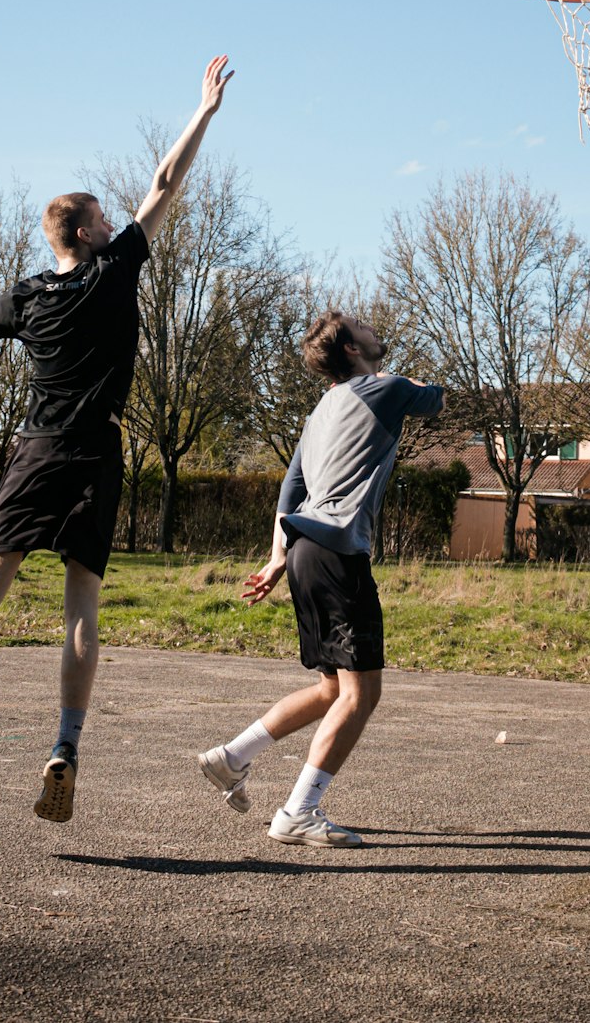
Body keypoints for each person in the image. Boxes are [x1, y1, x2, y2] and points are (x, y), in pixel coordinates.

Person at [0, 56, 233, 821]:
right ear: (84, 230)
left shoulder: (26, 296)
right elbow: (165, 183)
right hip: (95, 451)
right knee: (82, 599)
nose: (117, 224)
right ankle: (65, 747)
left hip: (36, 449)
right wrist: (204, 111)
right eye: (104, 219)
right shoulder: (113, 272)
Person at [199, 311, 443, 847]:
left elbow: (291, 494)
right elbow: (436, 399)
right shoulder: (386, 388)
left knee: (332, 686)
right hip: (337, 554)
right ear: (353, 351)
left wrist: (275, 559)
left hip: (304, 551)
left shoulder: (319, 412)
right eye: (364, 327)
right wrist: (420, 384)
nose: (375, 327)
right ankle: (298, 811)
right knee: (362, 693)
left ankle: (233, 756)